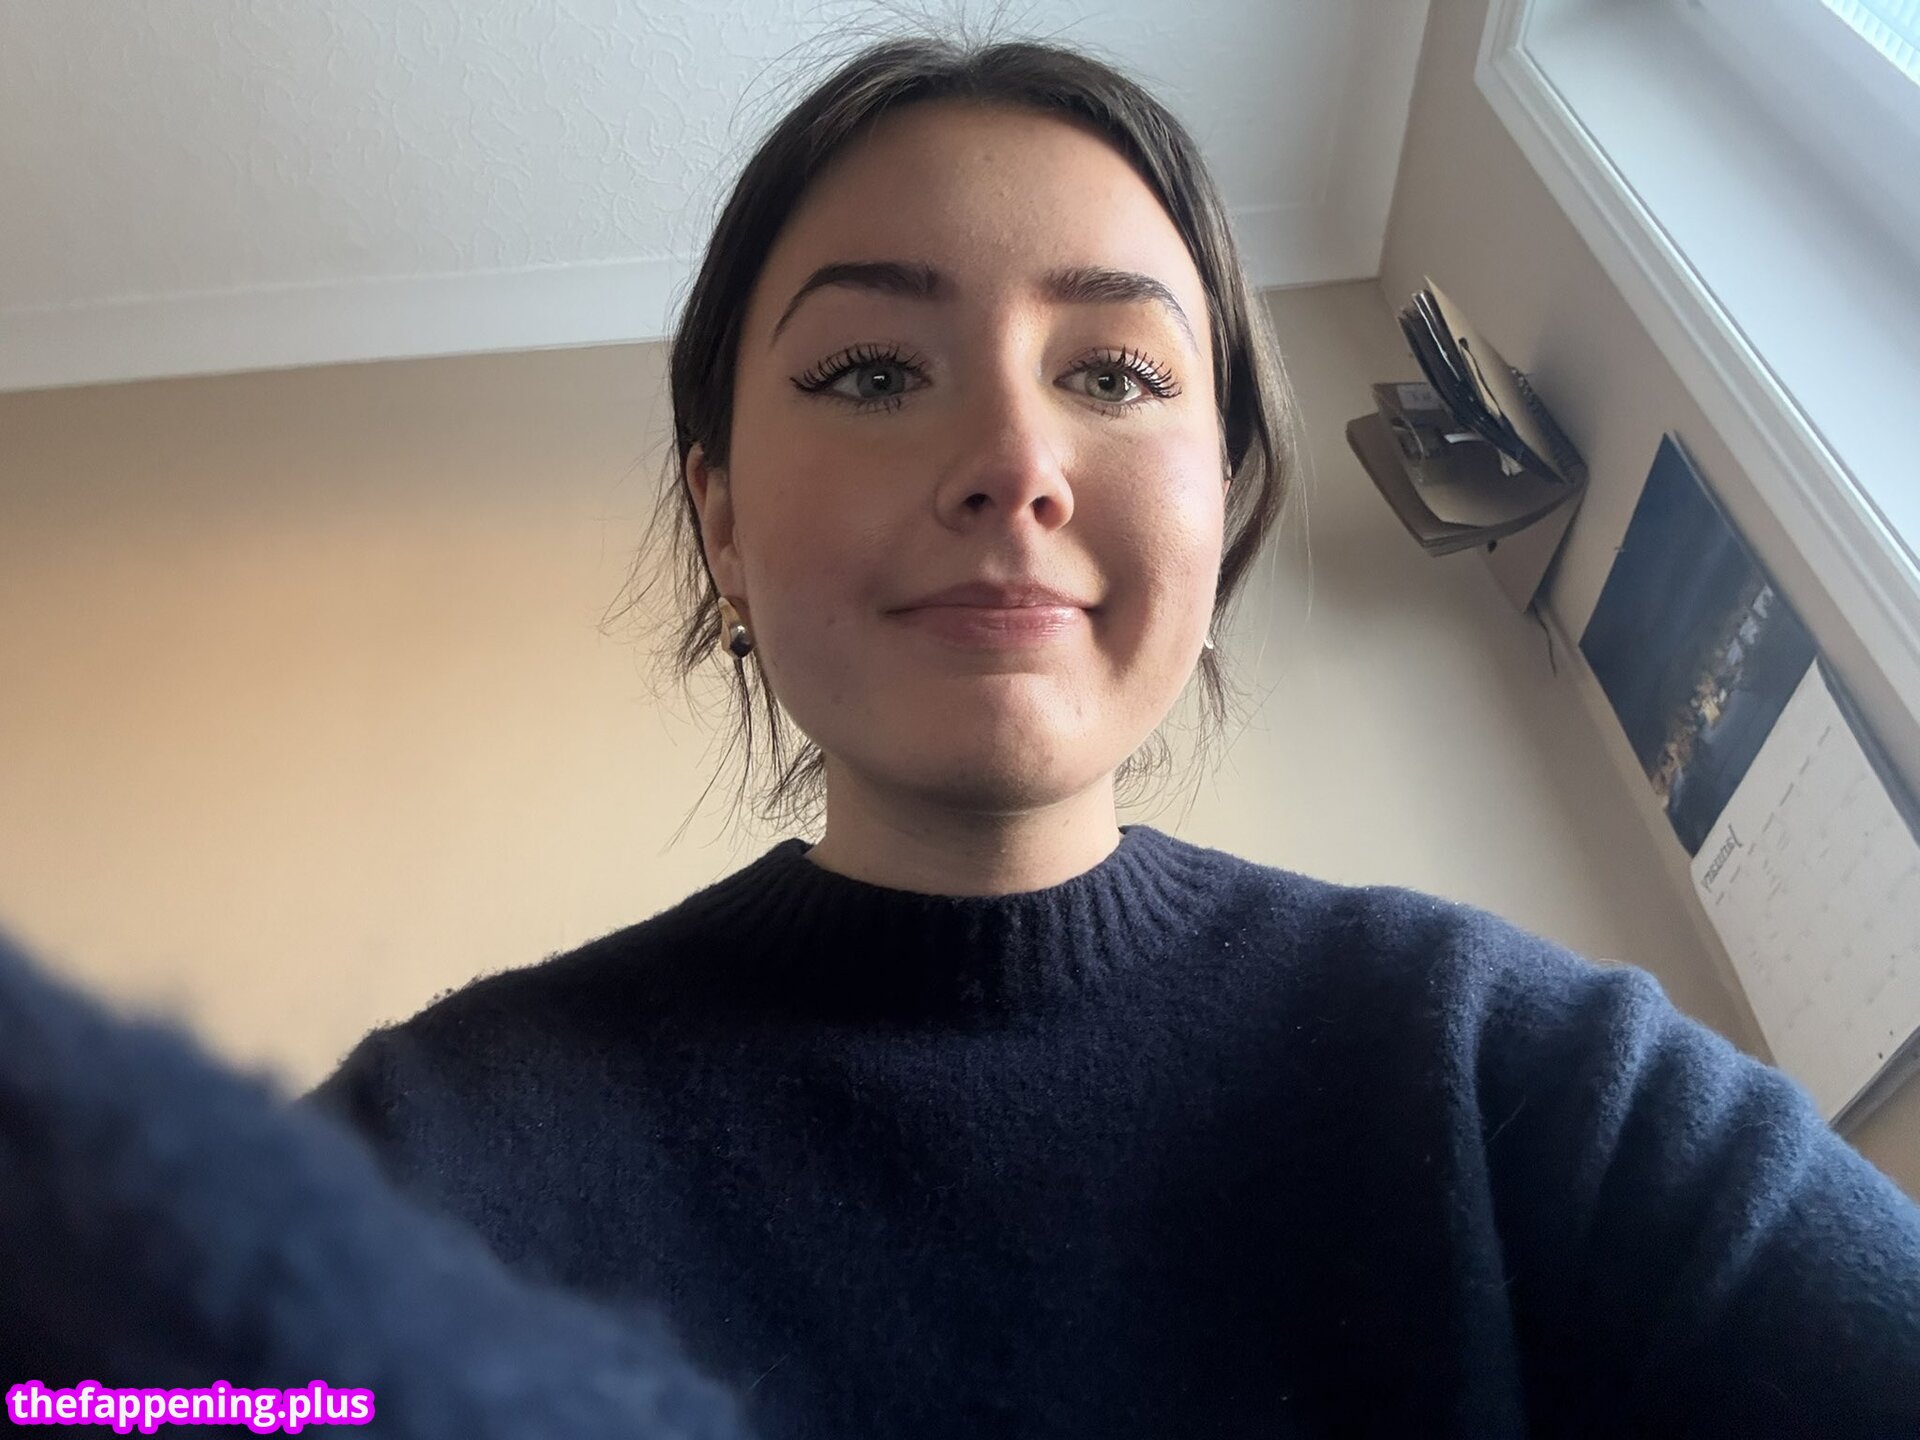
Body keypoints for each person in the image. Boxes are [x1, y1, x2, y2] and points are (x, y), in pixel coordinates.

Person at [15, 30, 1911, 1440]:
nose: (1013, 460)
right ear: (722, 524)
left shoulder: (1528, 1085)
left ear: (1225, 505)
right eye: (869, 371)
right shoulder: (425, 1151)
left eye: (1115, 372)